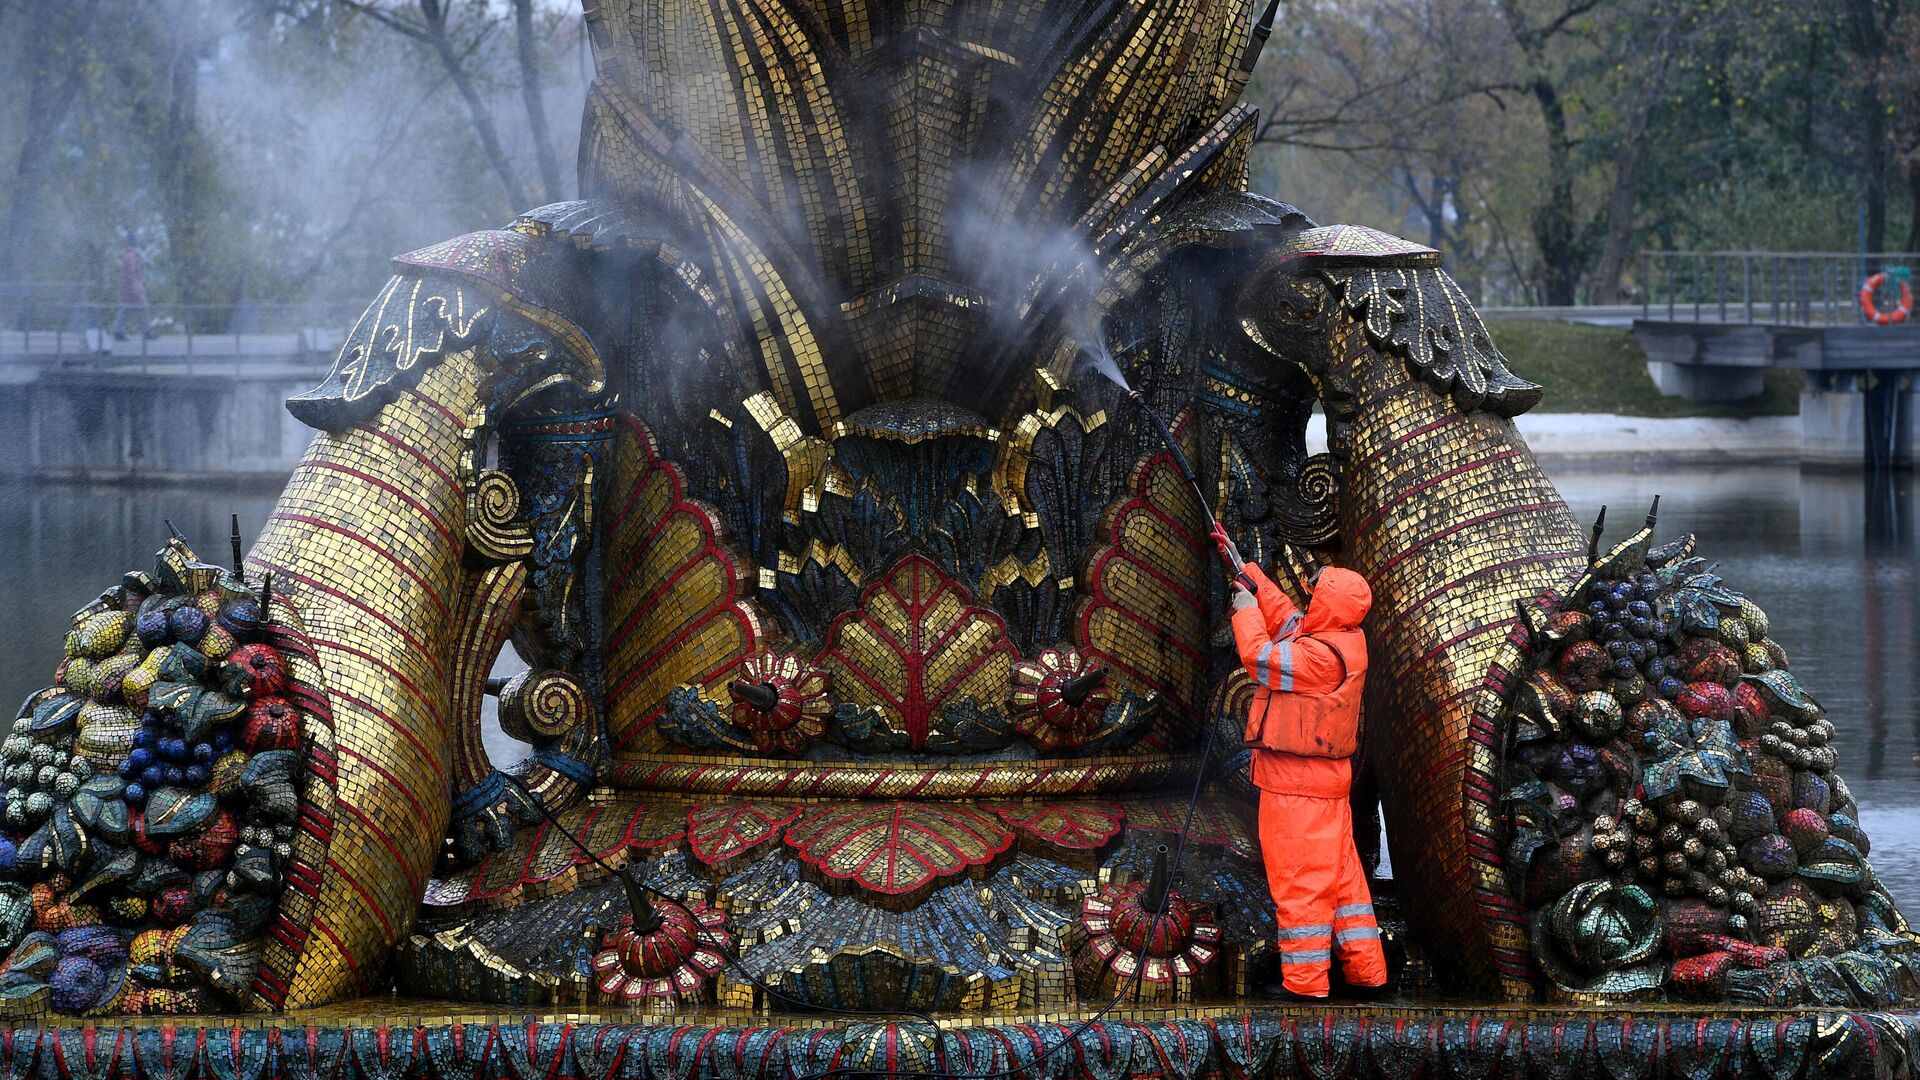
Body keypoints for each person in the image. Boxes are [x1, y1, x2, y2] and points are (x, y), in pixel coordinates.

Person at [1212, 527, 1388, 1001]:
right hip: (1324, 784)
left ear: (1330, 607)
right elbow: (1288, 616)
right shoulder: (1342, 639)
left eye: (1316, 596)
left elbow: (1259, 658)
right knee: (1346, 883)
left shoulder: (1318, 658)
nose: (1307, 602)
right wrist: (1245, 569)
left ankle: (1305, 985)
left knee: (1301, 885)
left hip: (1297, 788)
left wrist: (1244, 612)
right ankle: (1367, 974)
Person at [111, 232, 149, 342]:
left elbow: (132, 272)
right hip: (132, 287)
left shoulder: (128, 254)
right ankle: (146, 331)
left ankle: (119, 331)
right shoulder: (131, 255)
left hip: (128, 286)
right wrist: (136, 285)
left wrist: (141, 281)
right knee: (142, 307)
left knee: (125, 308)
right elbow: (131, 272)